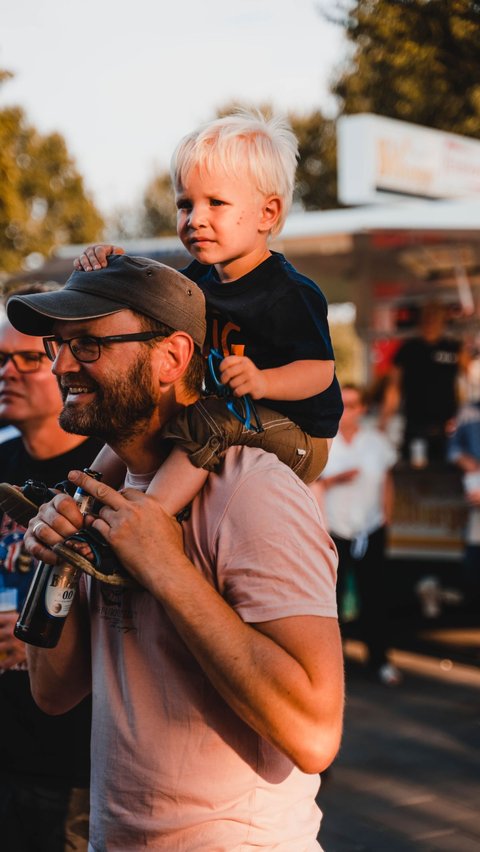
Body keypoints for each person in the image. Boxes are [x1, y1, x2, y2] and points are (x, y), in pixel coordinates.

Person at [7, 256, 344, 851]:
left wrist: (165, 567)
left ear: (172, 357)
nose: (61, 365)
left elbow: (316, 733)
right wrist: (52, 562)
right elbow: (54, 694)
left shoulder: (251, 490)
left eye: (87, 345)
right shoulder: (100, 492)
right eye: (57, 345)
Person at [69, 110, 342, 563]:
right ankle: (80, 493)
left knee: (209, 419)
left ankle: (148, 522)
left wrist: (264, 382)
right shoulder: (198, 278)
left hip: (300, 437)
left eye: (216, 203)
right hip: (239, 413)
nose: (195, 218)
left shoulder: (288, 292)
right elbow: (152, 291)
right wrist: (116, 261)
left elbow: (320, 371)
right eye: (185, 204)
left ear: (266, 213)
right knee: (145, 406)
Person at [0, 287, 103, 852]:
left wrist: (33, 641)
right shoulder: (2, 462)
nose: (8, 372)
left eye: (27, 359)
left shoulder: (104, 469)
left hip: (69, 759)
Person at [311, 384, 401, 686]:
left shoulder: (376, 441)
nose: (348, 411)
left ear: (363, 408)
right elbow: (310, 479)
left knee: (375, 596)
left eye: (353, 405)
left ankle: (380, 660)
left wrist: (387, 513)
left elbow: (387, 477)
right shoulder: (324, 440)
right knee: (331, 600)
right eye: (343, 404)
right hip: (334, 529)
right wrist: (336, 478)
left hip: (370, 527)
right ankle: (334, 667)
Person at [379, 302, 466, 462]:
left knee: (447, 474)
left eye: (435, 315)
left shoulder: (454, 348)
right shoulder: (408, 349)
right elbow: (393, 387)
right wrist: (384, 421)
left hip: (446, 426)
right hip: (414, 422)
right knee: (412, 472)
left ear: (443, 318)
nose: (431, 319)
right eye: (427, 315)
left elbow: (468, 383)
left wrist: (463, 418)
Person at [448, 400, 480, 607]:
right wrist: (462, 458)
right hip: (476, 486)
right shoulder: (468, 410)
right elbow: (453, 448)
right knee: (473, 561)